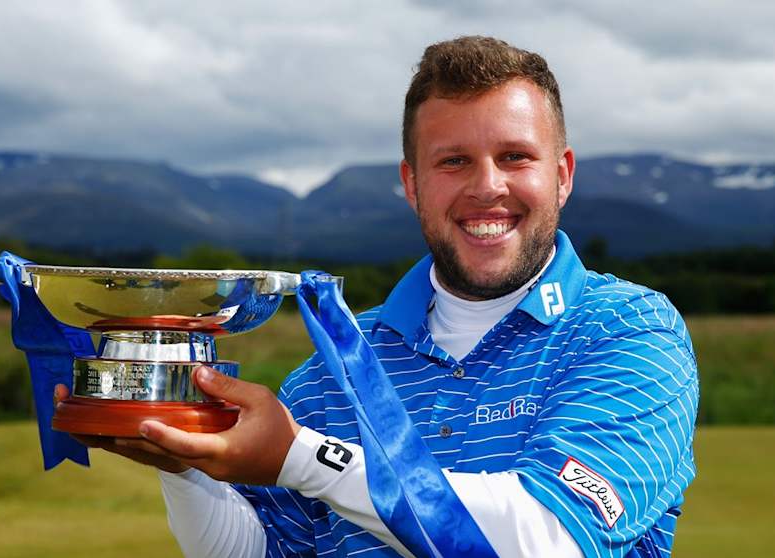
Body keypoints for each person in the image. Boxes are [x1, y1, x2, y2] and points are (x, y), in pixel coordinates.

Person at [62, 36, 698, 557]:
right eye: (452, 162)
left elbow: (547, 539)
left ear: (560, 176)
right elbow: (259, 551)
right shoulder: (332, 368)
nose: (487, 187)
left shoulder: (630, 332)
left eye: (514, 156)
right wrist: (189, 462)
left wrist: (304, 458)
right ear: (412, 184)